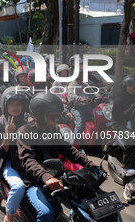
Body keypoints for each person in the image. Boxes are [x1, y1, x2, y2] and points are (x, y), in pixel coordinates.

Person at [16, 93, 95, 222]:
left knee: (85, 202)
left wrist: (90, 164)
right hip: (34, 181)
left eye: (58, 116)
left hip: (56, 178)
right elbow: (27, 160)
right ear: (40, 116)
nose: (56, 120)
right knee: (46, 214)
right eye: (53, 117)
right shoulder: (25, 132)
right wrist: (46, 177)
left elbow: (68, 150)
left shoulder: (54, 129)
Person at [0, 88, 27, 222]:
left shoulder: (25, 122)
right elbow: (1, 153)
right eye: (12, 104)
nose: (16, 107)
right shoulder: (0, 124)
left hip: (25, 161)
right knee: (18, 187)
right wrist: (8, 135)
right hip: (8, 163)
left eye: (19, 104)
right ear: (5, 104)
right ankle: (9, 217)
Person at [112, 75, 135, 178]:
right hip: (119, 125)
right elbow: (117, 116)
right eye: (130, 86)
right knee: (132, 139)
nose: (132, 88)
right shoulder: (120, 98)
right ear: (125, 86)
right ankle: (126, 168)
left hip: (133, 123)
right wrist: (130, 108)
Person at [67, 68, 93, 138]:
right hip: (76, 107)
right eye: (82, 74)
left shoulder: (85, 84)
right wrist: (80, 99)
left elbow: (93, 92)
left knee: (96, 118)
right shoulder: (72, 84)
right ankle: (76, 143)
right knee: (79, 123)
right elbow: (71, 95)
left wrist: (100, 96)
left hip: (86, 106)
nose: (84, 76)